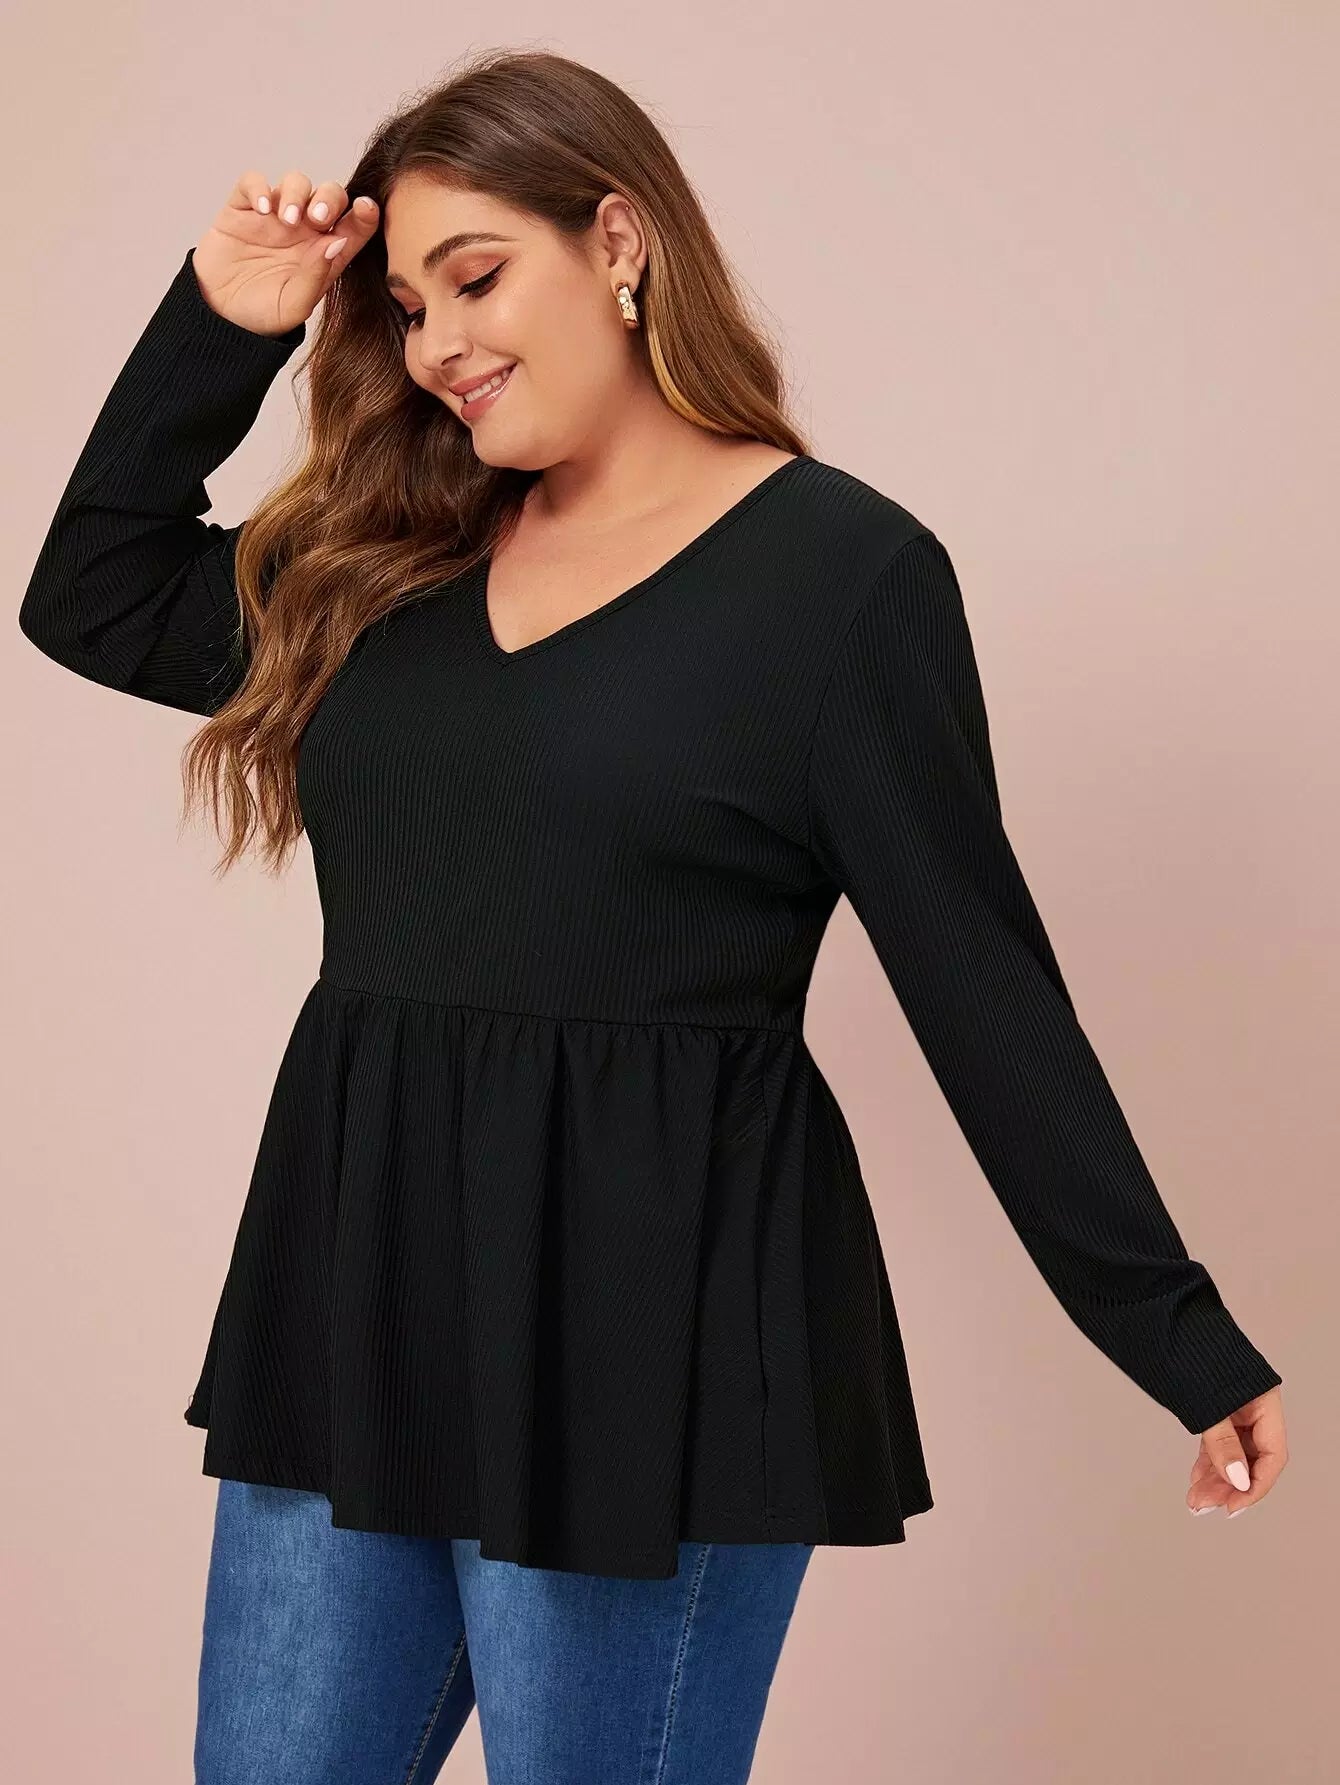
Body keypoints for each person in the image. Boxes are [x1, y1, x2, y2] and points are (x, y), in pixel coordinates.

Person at [18, 46, 1286, 1785]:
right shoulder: (391, 565)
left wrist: (1176, 1331)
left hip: (649, 1337)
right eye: (407, 308)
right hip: (358, 1300)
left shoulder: (844, 581)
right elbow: (88, 591)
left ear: (617, 240)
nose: (437, 343)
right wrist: (225, 318)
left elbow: (984, 993)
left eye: (477, 277)